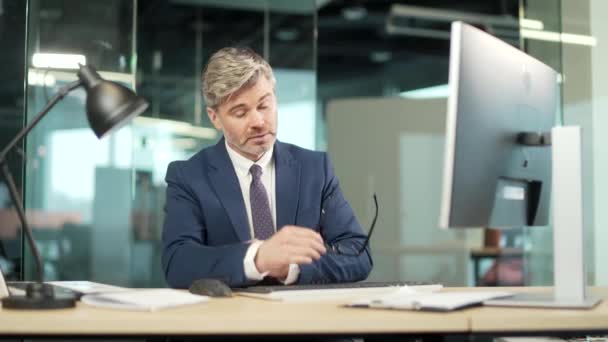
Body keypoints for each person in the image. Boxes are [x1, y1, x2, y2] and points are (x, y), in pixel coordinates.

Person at [161, 47, 372, 288]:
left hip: (302, 320)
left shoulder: (315, 169)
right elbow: (177, 263)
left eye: (264, 106)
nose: (258, 122)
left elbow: (359, 254)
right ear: (215, 118)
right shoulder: (188, 176)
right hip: (228, 321)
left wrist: (291, 267)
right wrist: (258, 259)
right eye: (240, 113)